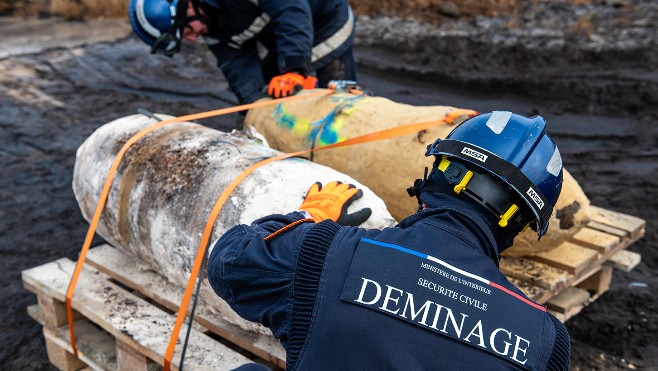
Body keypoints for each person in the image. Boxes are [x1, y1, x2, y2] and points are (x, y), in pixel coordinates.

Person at [207, 111, 571, 370]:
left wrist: (310, 218)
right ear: (520, 225)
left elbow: (230, 261)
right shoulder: (546, 341)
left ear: (438, 171)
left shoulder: (327, 254)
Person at [129, 0, 356, 104]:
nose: (192, 38)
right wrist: (255, 104)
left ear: (185, 5)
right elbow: (237, 66)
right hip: (280, 40)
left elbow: (290, 9)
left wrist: (295, 67)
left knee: (337, 102)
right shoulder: (210, 25)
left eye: (187, 30)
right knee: (273, 97)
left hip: (326, 26)